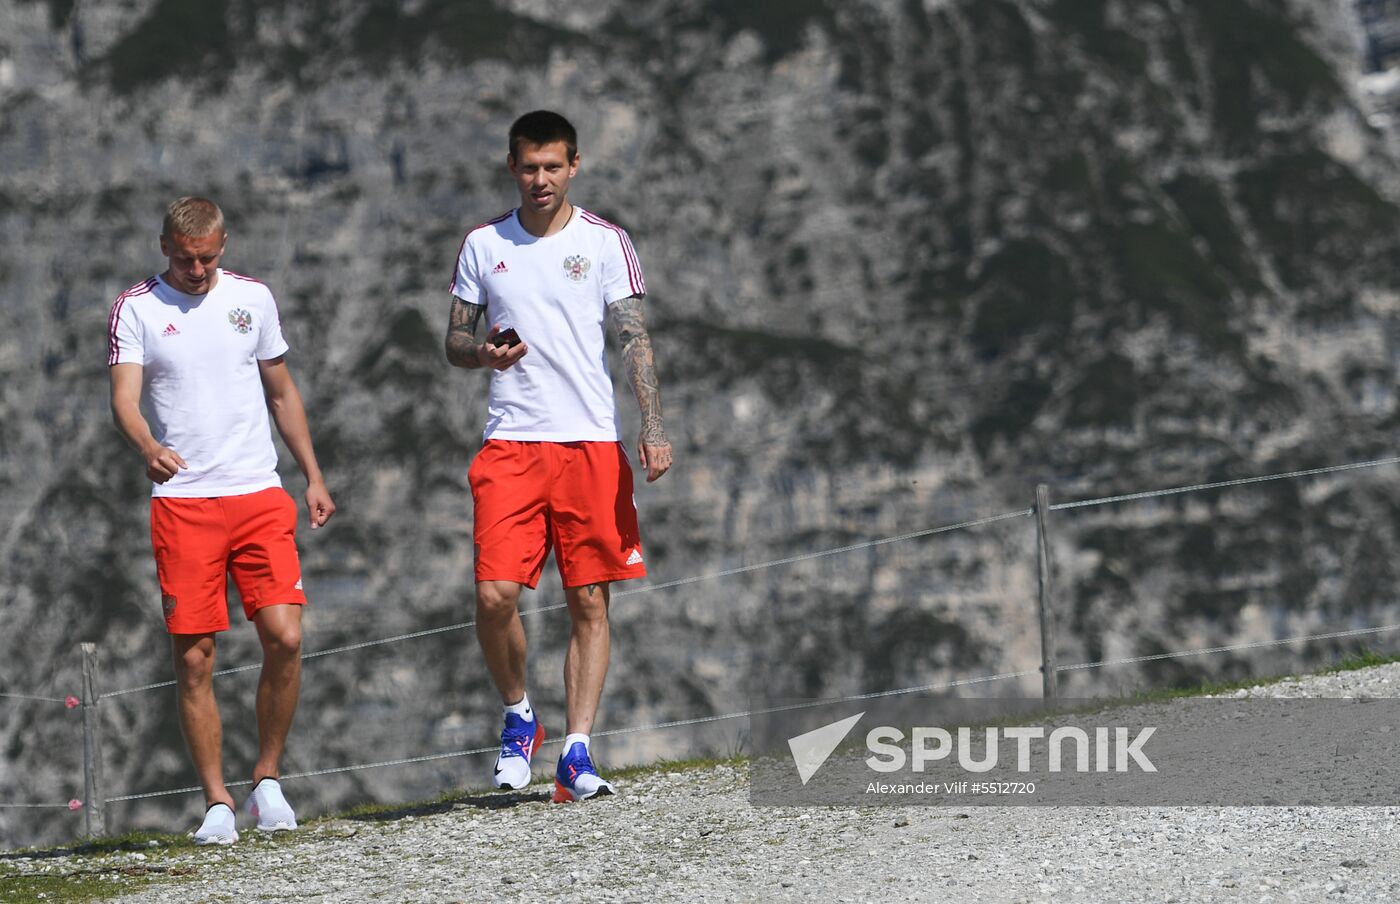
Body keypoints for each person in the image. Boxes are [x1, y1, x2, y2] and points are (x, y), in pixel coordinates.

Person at [445, 110, 673, 803]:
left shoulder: (606, 242)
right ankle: (520, 714)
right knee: (493, 594)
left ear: (574, 165)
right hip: (512, 441)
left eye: (553, 166)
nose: (541, 179)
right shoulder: (485, 244)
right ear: (511, 168)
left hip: (589, 443)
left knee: (589, 601)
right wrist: (480, 351)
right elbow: (454, 339)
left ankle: (577, 750)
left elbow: (633, 336)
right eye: (528, 166)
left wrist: (653, 425)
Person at [108, 197, 335, 844]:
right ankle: (217, 803)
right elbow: (124, 396)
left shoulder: (252, 299)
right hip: (184, 505)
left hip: (258, 493)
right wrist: (148, 446)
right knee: (196, 658)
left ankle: (268, 780)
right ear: (164, 248)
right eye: (185, 259)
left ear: (223, 245)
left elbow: (282, 391)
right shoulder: (137, 308)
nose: (197, 269)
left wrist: (313, 475)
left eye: (207, 257)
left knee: (285, 637)